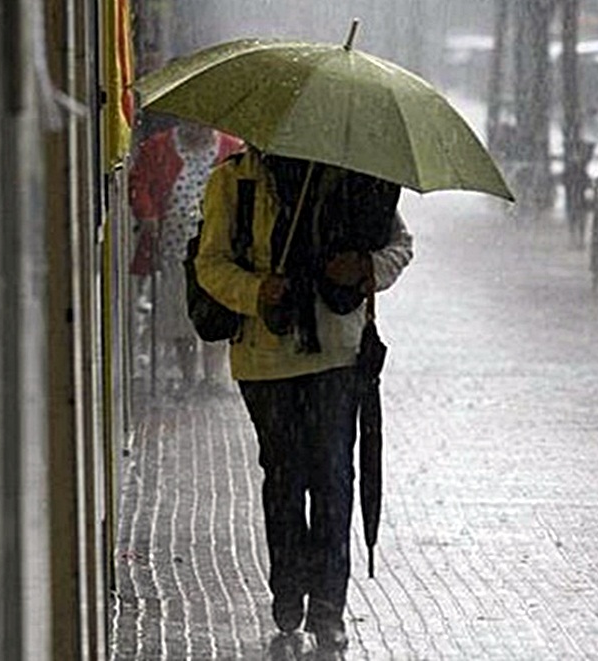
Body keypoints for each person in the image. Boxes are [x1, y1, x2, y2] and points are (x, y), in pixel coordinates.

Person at [195, 147, 413, 656]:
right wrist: (256, 290)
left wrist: (364, 266)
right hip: (265, 361)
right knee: (286, 476)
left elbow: (399, 244)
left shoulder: (351, 179)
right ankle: (288, 591)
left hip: (337, 355)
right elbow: (210, 262)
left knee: (335, 477)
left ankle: (329, 610)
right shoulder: (235, 182)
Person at [128, 119, 242, 394]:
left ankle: (213, 376)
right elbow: (139, 183)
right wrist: (148, 215)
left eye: (204, 124)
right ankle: (189, 376)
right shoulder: (159, 147)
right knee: (180, 311)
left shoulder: (231, 148)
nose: (199, 129)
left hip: (218, 247)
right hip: (174, 249)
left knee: (216, 307)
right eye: (193, 123)